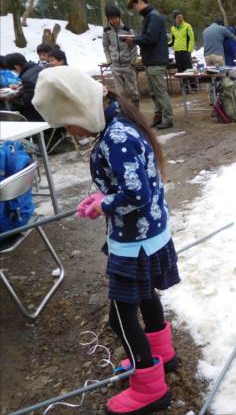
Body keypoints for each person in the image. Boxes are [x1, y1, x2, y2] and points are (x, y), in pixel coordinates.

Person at [32, 66, 179, 415]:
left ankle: (149, 386)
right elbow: (129, 185)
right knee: (146, 298)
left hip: (134, 243)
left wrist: (104, 204)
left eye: (67, 125)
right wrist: (100, 199)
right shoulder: (118, 125)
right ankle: (163, 356)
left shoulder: (117, 137)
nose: (70, 133)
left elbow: (135, 193)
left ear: (81, 110)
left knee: (120, 318)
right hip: (150, 234)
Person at [125, 0, 174, 130]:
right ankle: (159, 117)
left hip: (156, 61)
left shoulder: (154, 17)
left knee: (160, 91)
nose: (134, 9)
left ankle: (168, 118)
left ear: (140, 2)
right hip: (151, 61)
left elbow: (150, 38)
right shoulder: (148, 17)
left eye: (134, 6)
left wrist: (134, 39)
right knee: (154, 92)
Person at [103, 5, 140, 109]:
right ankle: (125, 114)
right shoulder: (107, 32)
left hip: (128, 65)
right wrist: (109, 61)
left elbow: (134, 47)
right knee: (121, 93)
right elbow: (106, 47)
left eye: (115, 18)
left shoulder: (127, 30)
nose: (113, 20)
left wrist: (133, 62)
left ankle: (137, 114)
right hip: (115, 66)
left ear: (119, 17)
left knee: (134, 92)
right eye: (111, 18)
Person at [4, 52, 44, 121]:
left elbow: (29, 103)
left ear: (16, 67)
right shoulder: (38, 67)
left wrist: (16, 96)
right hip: (51, 107)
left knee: (14, 108)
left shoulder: (26, 78)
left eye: (11, 70)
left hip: (40, 115)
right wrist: (23, 88)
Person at [169, 10, 196, 92]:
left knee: (189, 70)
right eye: (178, 17)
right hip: (177, 52)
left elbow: (191, 39)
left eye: (181, 16)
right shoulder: (173, 28)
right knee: (180, 70)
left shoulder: (187, 26)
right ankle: (185, 89)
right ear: (175, 18)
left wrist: (189, 50)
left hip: (186, 52)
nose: (180, 18)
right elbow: (172, 41)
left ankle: (194, 88)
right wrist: (165, 44)